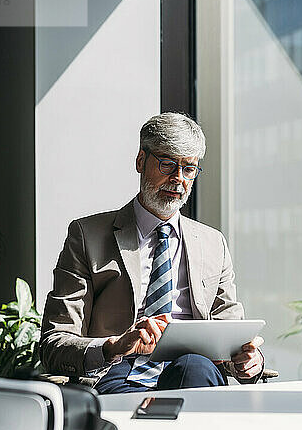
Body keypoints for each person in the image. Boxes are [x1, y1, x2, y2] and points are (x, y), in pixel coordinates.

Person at [39, 112, 264, 393]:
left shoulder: (212, 244)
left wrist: (248, 360)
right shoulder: (87, 236)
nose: (179, 179)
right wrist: (113, 346)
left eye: (189, 169)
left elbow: (232, 335)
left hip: (194, 374)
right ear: (141, 161)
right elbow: (54, 342)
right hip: (118, 373)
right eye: (168, 165)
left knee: (195, 366)